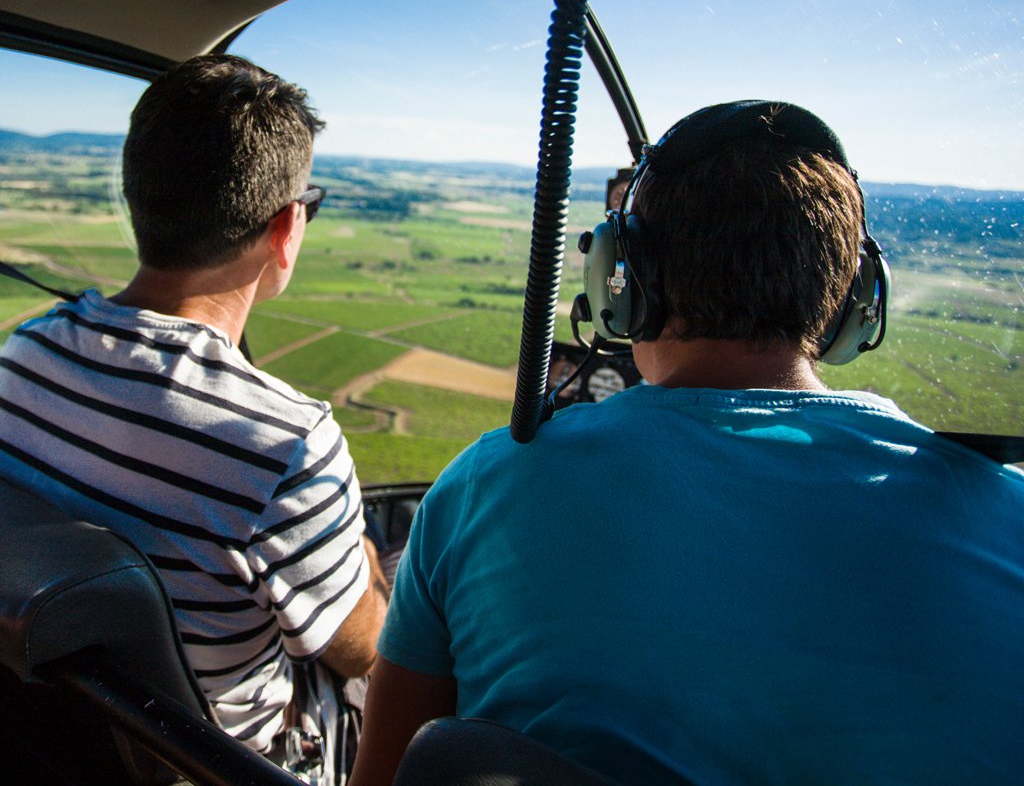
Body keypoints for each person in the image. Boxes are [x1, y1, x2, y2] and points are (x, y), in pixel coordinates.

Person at [350, 101, 1024, 786]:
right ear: (853, 298)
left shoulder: (485, 485)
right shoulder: (1009, 517)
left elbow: (384, 775)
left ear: (622, 279)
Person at [0, 55, 389, 781]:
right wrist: (364, 566)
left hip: (68, 743)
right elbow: (361, 649)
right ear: (284, 227)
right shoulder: (286, 445)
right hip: (237, 762)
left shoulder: (23, 354)